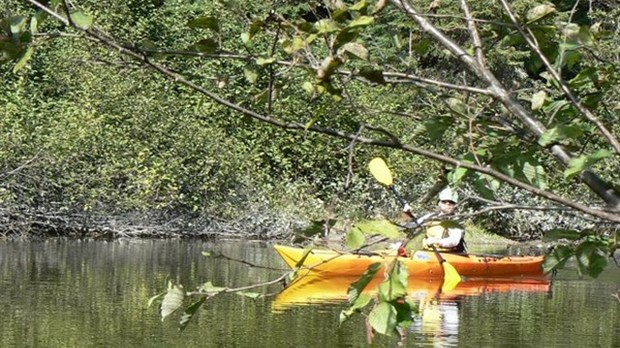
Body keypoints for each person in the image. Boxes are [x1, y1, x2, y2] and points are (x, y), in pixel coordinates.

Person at [403, 187, 466, 253]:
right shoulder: (431, 216)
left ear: (455, 205)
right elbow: (411, 226)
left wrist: (436, 241)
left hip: (450, 254)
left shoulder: (456, 221)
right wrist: (407, 213)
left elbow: (454, 241)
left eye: (451, 202)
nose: (447, 204)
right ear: (439, 203)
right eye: (444, 202)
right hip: (429, 252)